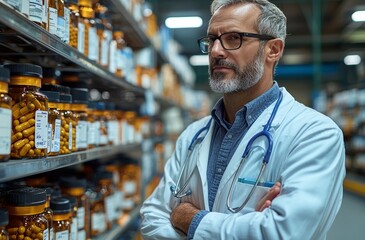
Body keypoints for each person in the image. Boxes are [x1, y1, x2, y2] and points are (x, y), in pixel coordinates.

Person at [140, 0, 346, 239]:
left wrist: (187, 218)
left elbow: (281, 232)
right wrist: (246, 226)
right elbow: (151, 217)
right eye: (212, 39)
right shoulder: (193, 136)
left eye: (233, 38)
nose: (216, 51)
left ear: (273, 50)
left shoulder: (315, 134)